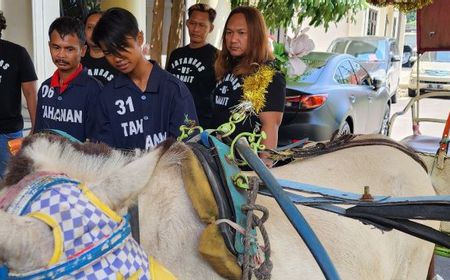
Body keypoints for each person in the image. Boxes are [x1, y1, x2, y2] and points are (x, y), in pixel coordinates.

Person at [92, 7, 198, 150]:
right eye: (109, 52)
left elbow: (189, 151)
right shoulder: (107, 97)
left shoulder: (174, 90)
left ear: (139, 38)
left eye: (123, 47)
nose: (117, 58)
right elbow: (104, 154)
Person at [211, 6, 286, 165]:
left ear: (256, 36)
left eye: (241, 33)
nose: (233, 39)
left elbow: (270, 129)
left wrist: (261, 177)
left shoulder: (270, 77)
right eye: (229, 32)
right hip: (215, 162)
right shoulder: (226, 67)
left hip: (244, 170)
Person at [34, 16, 101, 142]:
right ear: (49, 46)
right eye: (56, 47)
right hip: (48, 159)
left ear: (82, 50)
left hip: (79, 160)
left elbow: (97, 141)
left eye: (69, 49)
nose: (61, 55)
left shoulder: (94, 89)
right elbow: (39, 132)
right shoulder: (45, 87)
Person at [166, 3, 217, 128]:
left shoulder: (217, 56)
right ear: (187, 23)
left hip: (202, 124)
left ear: (210, 28)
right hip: (173, 119)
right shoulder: (176, 54)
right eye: (193, 23)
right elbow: (166, 86)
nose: (196, 29)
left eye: (202, 25)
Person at [0, 10, 37, 178]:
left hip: (8, 133)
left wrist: (36, 128)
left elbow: (30, 94)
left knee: (11, 182)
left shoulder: (17, 53)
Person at [81, 10, 118, 85]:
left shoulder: (118, 61)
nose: (94, 32)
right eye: (90, 27)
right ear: (84, 31)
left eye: (99, 27)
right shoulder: (77, 61)